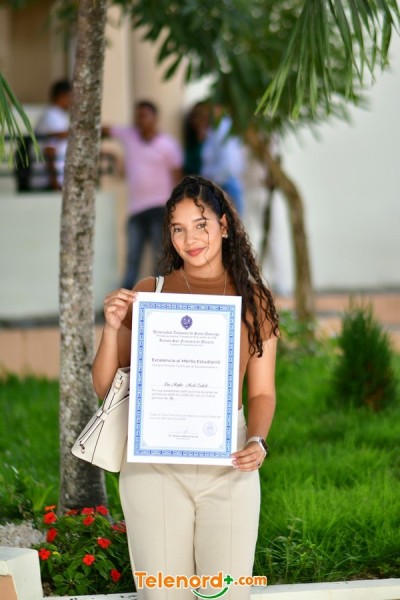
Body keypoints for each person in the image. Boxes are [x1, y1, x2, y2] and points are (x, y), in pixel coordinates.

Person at [92, 175, 279, 600]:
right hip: (154, 467)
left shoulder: (255, 302)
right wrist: (112, 327)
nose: (190, 239)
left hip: (229, 462)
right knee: (163, 594)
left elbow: (262, 392)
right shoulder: (150, 294)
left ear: (224, 226)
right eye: (178, 228)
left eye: (200, 224)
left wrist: (257, 439)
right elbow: (105, 388)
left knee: (226, 594)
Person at [103, 101, 183, 288]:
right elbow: (104, 130)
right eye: (138, 116)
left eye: (144, 115)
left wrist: (176, 211)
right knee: (132, 258)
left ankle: (159, 297)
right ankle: (126, 299)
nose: (140, 120)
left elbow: (177, 178)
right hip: (136, 210)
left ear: (155, 118)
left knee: (160, 258)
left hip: (161, 209)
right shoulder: (129, 136)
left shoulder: (168, 145)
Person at [201, 106, 246, 217]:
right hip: (219, 184)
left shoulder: (223, 128)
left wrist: (210, 177)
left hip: (225, 185)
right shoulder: (214, 129)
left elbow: (228, 163)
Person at [31, 79, 72, 190]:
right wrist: (54, 182)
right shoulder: (52, 117)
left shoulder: (57, 116)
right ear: (62, 96)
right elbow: (49, 150)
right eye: (71, 96)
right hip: (48, 183)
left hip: (54, 181)